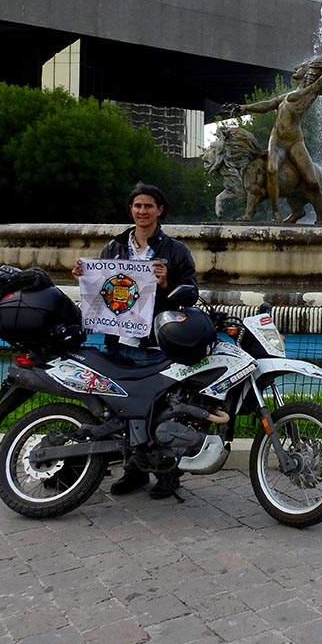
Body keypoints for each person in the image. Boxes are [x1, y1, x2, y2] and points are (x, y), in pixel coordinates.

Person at [71, 182, 197, 499]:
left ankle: (168, 475)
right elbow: (102, 290)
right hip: (118, 342)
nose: (142, 211)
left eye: (148, 206)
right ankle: (135, 471)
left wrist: (166, 283)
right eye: (137, 206)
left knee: (162, 409)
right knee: (123, 409)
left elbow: (191, 293)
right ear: (131, 210)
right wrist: (84, 276)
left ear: (159, 210)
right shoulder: (113, 249)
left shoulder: (175, 251)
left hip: (156, 342)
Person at [224, 33, 322, 224]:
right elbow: (268, 104)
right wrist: (245, 108)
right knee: (271, 169)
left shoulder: (309, 93)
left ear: (310, 71)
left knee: (312, 182)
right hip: (277, 140)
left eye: (301, 67)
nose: (296, 68)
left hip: (295, 141)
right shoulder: (287, 96)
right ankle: (276, 213)